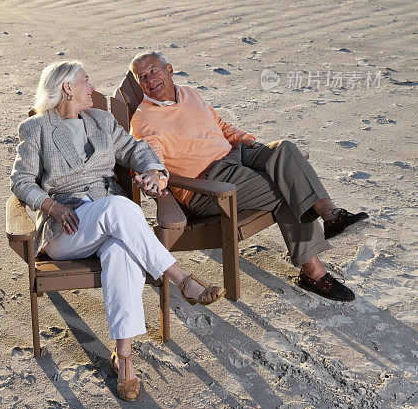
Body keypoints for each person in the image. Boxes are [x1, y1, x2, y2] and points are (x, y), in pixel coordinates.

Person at [10, 60, 225, 401]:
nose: (92, 88)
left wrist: (153, 171)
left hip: (113, 223)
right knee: (122, 208)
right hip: (67, 228)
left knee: (121, 250)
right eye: (85, 81)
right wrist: (51, 206)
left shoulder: (102, 120)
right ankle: (180, 277)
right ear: (67, 87)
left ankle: (123, 358)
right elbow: (20, 182)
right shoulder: (36, 129)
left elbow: (136, 150)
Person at [129, 52, 369, 303]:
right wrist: (155, 177)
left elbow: (220, 126)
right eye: (142, 77)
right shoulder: (144, 120)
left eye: (153, 71)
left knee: (284, 149)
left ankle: (330, 212)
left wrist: (248, 142)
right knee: (287, 189)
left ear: (169, 69)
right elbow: (151, 157)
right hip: (209, 185)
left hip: (235, 155)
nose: (149, 80)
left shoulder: (189, 93)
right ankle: (314, 272)